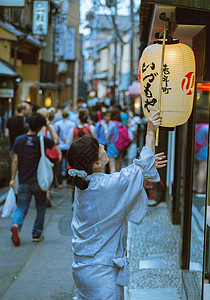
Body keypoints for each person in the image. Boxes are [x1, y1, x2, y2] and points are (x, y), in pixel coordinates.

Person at [67, 110, 167, 299]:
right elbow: (139, 168)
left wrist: (147, 166)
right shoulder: (105, 185)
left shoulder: (85, 184)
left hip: (82, 268)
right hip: (101, 272)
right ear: (96, 163)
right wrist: (150, 132)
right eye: (100, 148)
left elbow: (139, 170)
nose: (104, 146)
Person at [9, 113, 59, 247]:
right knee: (40, 207)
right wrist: (49, 126)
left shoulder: (19, 140)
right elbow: (57, 141)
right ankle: (37, 234)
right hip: (39, 180)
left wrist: (13, 178)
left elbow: (15, 161)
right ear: (40, 127)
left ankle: (16, 224)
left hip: (24, 180)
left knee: (22, 207)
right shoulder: (41, 140)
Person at [54, 109, 75, 187]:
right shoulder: (72, 124)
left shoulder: (57, 124)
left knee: (59, 164)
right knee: (68, 163)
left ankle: (59, 182)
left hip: (59, 145)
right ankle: (68, 181)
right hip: (68, 145)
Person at [194, 123, 209, 196]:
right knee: (202, 170)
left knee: (194, 170)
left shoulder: (196, 127)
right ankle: (200, 189)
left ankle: (193, 187)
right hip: (203, 152)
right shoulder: (206, 127)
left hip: (195, 150)